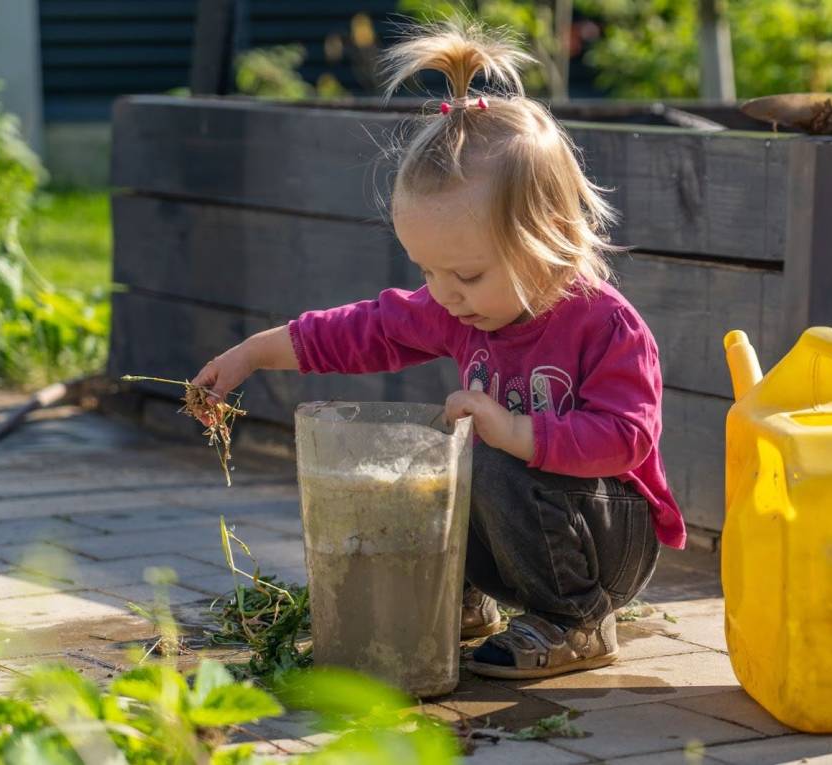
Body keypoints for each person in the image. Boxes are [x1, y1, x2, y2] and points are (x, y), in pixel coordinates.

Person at [190, 19, 686, 680]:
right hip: (526, 525)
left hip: (608, 538)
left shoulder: (604, 325)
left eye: (468, 274)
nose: (444, 294)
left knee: (496, 460)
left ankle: (578, 620)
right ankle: (467, 599)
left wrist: (513, 430)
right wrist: (253, 352)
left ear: (549, 238)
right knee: (440, 463)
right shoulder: (463, 309)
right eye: (427, 271)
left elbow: (627, 438)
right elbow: (361, 330)